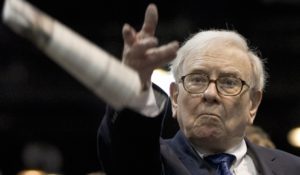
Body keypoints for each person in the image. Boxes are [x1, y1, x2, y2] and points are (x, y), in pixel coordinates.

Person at [97, 3, 300, 175]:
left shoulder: (292, 168)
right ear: (175, 98)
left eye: (229, 82)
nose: (210, 94)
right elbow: (126, 146)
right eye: (197, 80)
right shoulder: (151, 162)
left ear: (253, 104)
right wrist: (133, 88)